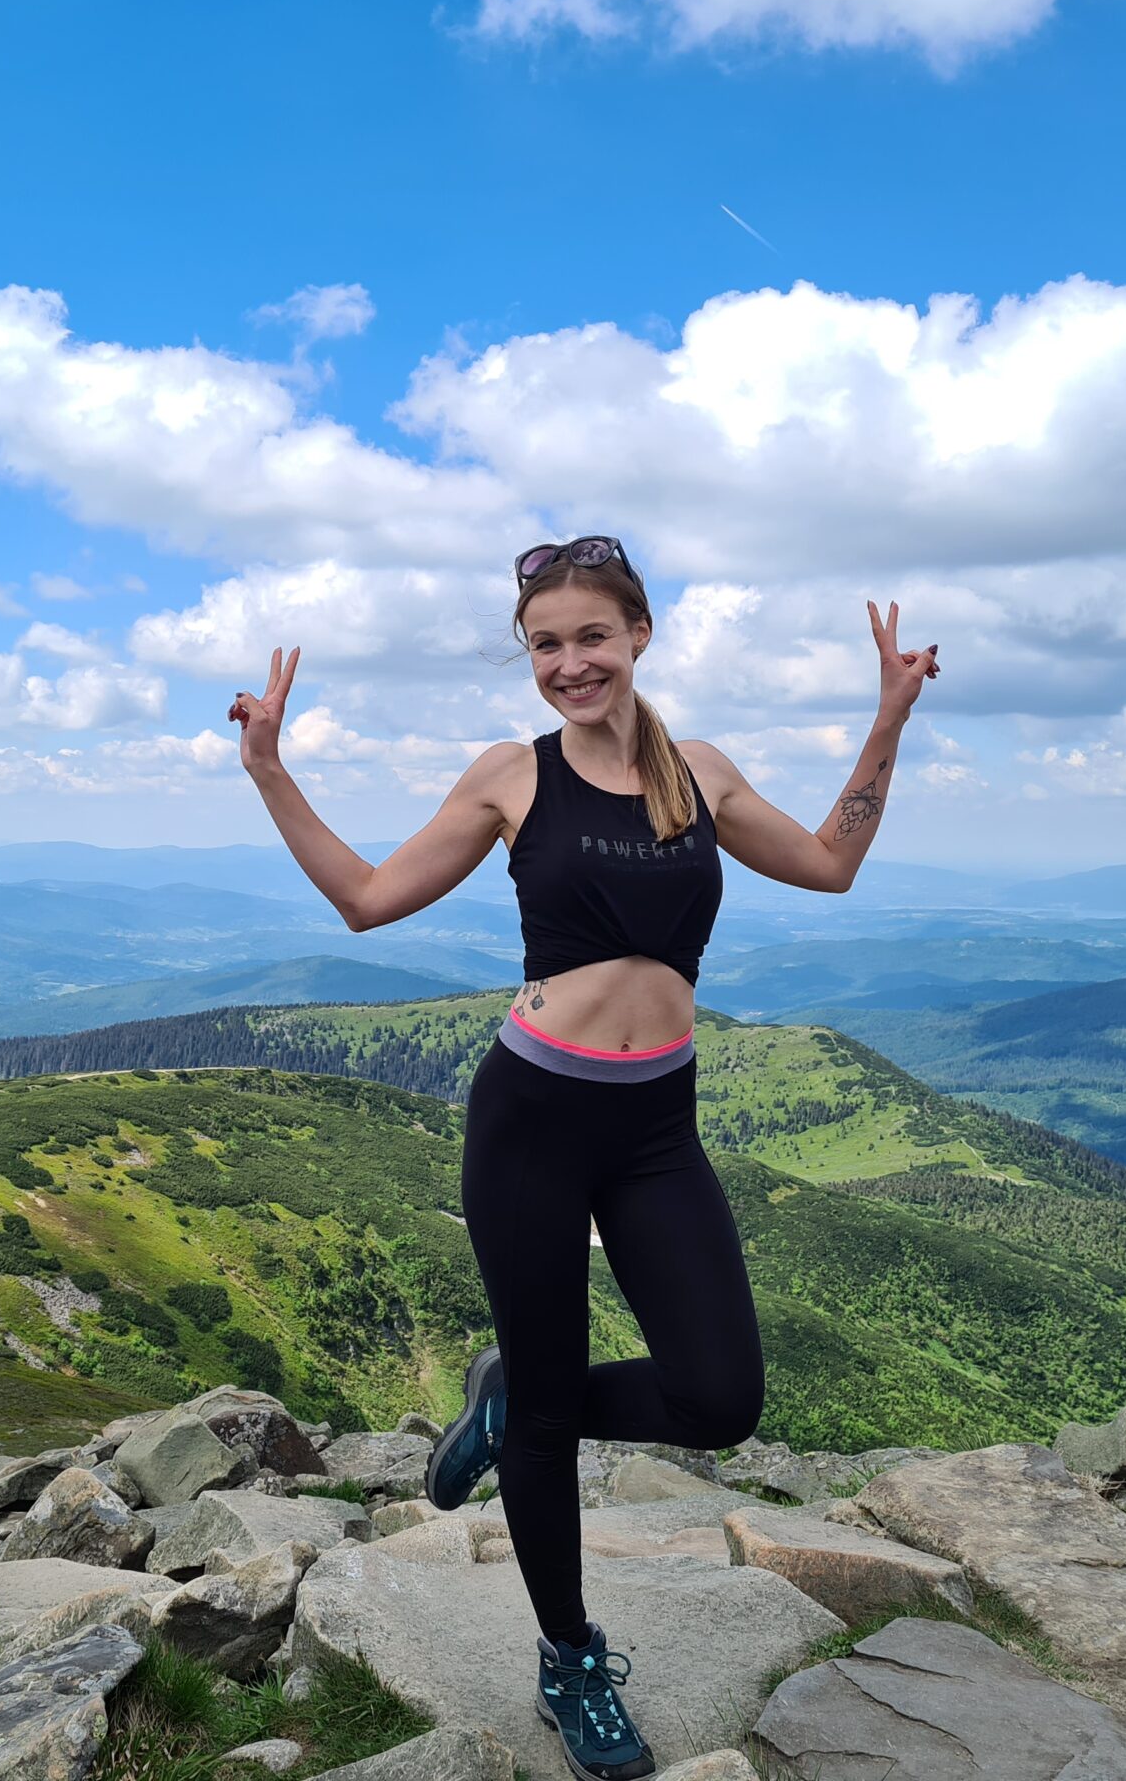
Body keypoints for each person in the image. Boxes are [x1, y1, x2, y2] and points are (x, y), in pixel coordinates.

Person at [227, 535, 936, 1779]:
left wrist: (887, 718)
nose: (568, 664)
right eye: (546, 644)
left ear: (638, 636)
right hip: (532, 1122)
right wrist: (269, 770)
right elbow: (366, 900)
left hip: (659, 1128)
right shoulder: (512, 778)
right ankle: (569, 1660)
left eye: (590, 637)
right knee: (559, 1417)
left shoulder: (700, 776)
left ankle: (512, 1399)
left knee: (721, 1398)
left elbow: (829, 866)